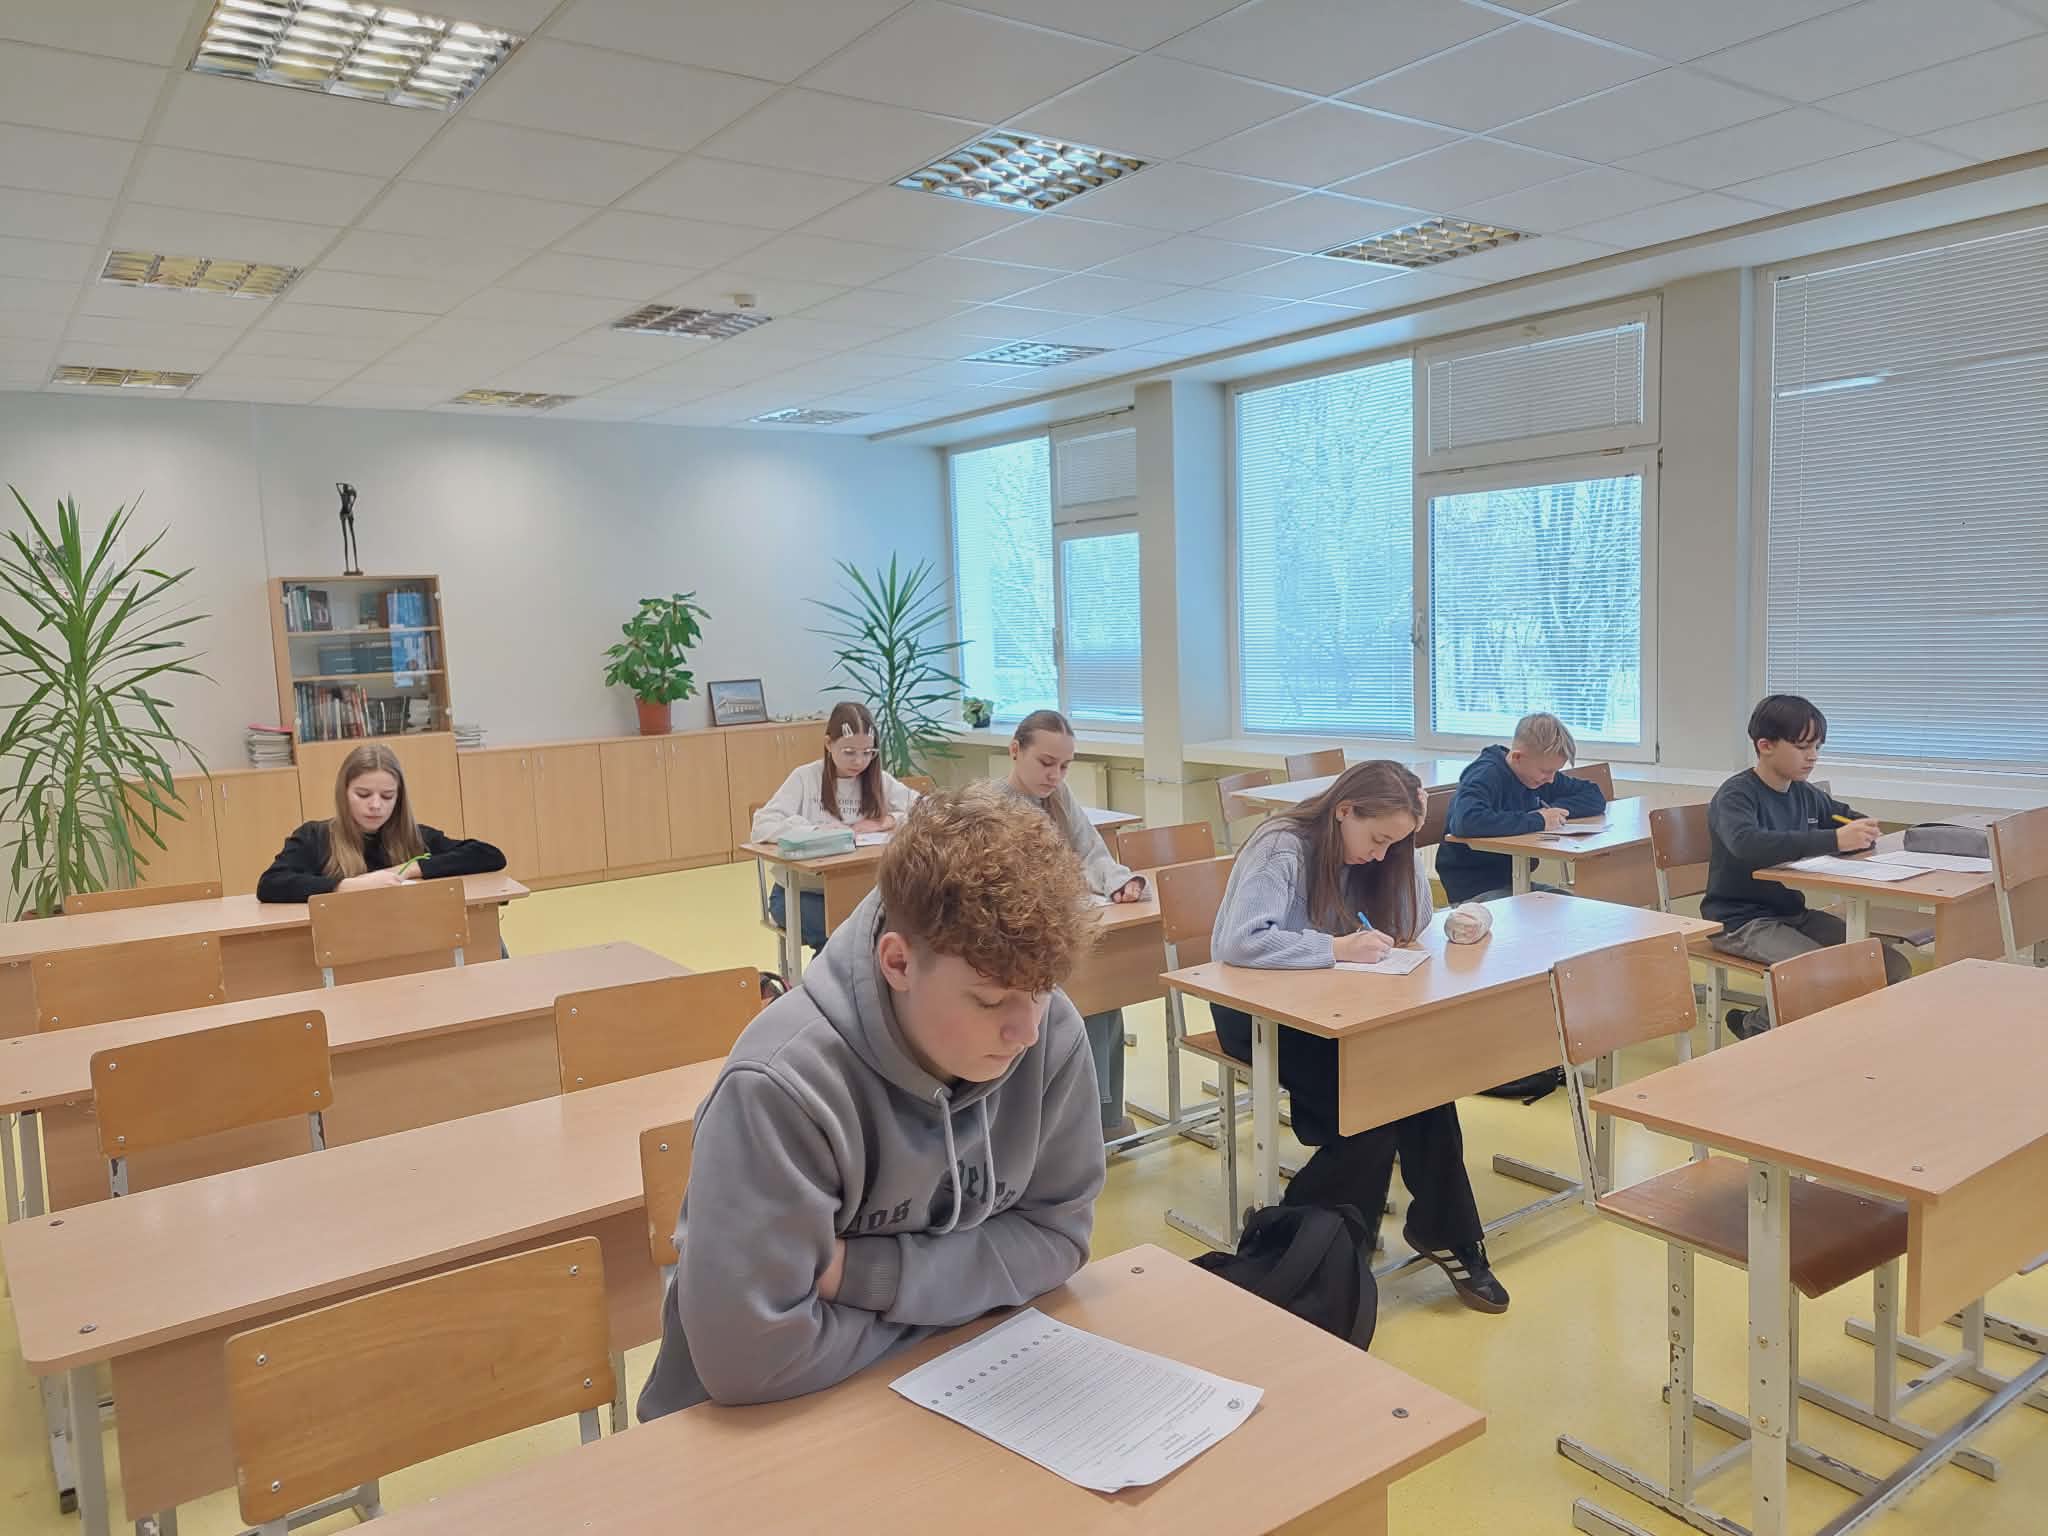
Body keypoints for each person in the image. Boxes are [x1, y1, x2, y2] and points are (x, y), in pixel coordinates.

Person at [637, 785, 1104, 1416]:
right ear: (898, 963)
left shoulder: (1052, 1035)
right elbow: (753, 1360)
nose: (1026, 1032)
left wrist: (862, 1275)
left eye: (1042, 992)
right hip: (753, 1430)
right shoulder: (780, 1086)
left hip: (941, 1392)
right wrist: (970, 1293)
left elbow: (1058, 1240)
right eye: (991, 1001)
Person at [1209, 759, 1509, 1314]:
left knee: (1421, 1082)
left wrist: (1406, 847)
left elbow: (1413, 922)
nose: (1379, 854)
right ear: (1344, 811)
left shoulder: (1381, 853)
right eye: (1377, 839)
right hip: (1257, 1011)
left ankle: (1404, 1237)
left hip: (1335, 1006)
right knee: (1373, 1106)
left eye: (1393, 843)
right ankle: (1314, 1246)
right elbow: (1240, 942)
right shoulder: (1282, 846)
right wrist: (1335, 948)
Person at [1704, 694, 1911, 1037]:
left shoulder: (1803, 792)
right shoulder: (1737, 795)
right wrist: (1835, 840)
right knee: (1821, 973)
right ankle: (1755, 1026)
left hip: (1793, 914)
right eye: (1802, 747)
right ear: (1765, 746)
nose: (1812, 756)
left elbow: (1842, 815)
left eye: (1817, 746)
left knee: (1891, 966)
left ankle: (1843, 1035)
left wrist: (1862, 828)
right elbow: (1747, 844)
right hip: (1740, 921)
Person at [1001, 709, 1147, 1143]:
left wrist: (1121, 883)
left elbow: (1092, 852)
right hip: (1020, 946)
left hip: (1067, 930)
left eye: (1064, 766)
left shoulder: (1059, 798)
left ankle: (1103, 1117)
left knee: (1107, 993)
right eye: (1046, 763)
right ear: (1015, 751)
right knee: (1083, 998)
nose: (1055, 775)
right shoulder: (992, 806)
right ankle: (1066, 1126)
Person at [752, 701, 922, 955]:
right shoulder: (805, 777)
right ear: (828, 744)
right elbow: (762, 825)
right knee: (847, 936)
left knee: (891, 928)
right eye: (849, 752)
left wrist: (886, 821)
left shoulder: (878, 780)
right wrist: (814, 830)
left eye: (868, 752)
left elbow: (926, 810)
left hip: (860, 894)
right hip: (798, 895)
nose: (859, 761)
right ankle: (831, 981)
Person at [257, 742, 504, 902]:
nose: (376, 805)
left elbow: (489, 855)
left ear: (399, 797)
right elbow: (271, 884)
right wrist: (347, 886)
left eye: (387, 796)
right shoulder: (315, 837)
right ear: (344, 793)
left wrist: (407, 869)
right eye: (363, 794)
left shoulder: (416, 837)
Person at [1437, 711, 1607, 904]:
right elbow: (1466, 821)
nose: (1551, 779)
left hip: (1516, 881)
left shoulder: (1536, 775)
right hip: (1473, 889)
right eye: (1546, 771)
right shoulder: (1486, 774)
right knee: (1549, 915)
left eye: (1555, 771)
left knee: (1577, 907)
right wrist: (1538, 820)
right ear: (1517, 757)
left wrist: (1552, 812)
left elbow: (1594, 796)